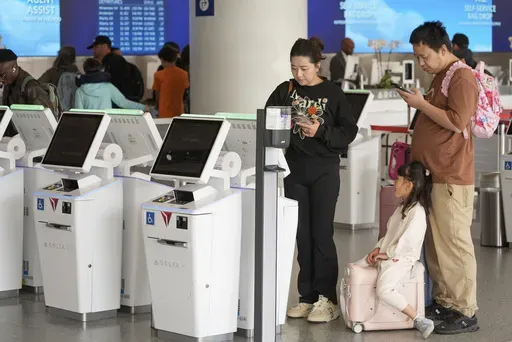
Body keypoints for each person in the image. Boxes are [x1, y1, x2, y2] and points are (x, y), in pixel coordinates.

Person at [265, 38, 358, 323]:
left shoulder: (333, 93)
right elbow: (268, 120)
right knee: (301, 236)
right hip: (294, 171)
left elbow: (348, 133)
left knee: (321, 235)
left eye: (304, 68)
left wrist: (320, 131)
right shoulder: (285, 90)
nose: (298, 74)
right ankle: (306, 297)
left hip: (324, 171)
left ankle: (326, 299)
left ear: (317, 65)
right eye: (294, 68)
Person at [396, 21, 479, 335]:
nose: (421, 63)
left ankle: (465, 310)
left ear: (443, 49)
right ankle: (446, 302)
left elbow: (458, 122)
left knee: (455, 245)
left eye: (424, 56)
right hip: (433, 176)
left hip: (452, 176)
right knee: (437, 245)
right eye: (417, 57)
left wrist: (421, 105)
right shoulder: (441, 77)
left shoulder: (462, 77)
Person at [354, 161, 434, 339]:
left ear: (409, 184)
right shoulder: (401, 209)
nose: (394, 183)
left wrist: (387, 253)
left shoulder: (417, 213)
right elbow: (390, 235)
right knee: (356, 267)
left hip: (402, 259)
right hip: (390, 254)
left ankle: (419, 319)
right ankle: (358, 311)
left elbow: (408, 243)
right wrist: (377, 249)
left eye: (397, 179)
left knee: (384, 289)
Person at [75, 58, 147, 111]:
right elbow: (123, 103)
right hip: (105, 123)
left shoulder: (80, 91)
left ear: (85, 70)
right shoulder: (108, 87)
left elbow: (79, 112)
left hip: (89, 125)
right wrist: (143, 107)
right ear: (101, 69)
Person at [87, 35, 143, 102]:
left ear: (104, 46)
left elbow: (118, 84)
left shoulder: (115, 61)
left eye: (96, 47)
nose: (93, 50)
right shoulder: (105, 62)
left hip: (118, 104)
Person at [152, 46, 189, 118]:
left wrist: (157, 107)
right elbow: (185, 90)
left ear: (162, 59)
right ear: (175, 59)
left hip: (164, 112)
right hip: (179, 111)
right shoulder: (184, 74)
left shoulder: (158, 75)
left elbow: (157, 95)